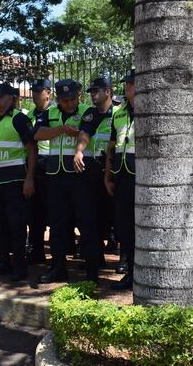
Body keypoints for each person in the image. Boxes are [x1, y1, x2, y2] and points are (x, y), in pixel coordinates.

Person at [35, 79, 99, 284]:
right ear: (57, 99)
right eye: (64, 100)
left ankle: (91, 272)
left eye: (72, 99)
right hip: (55, 176)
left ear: (79, 96)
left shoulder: (87, 111)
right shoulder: (50, 113)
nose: (69, 104)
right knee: (57, 223)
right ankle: (58, 267)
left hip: (80, 176)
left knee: (86, 222)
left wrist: (79, 151)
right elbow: (37, 134)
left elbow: (85, 133)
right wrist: (62, 129)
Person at [0, 84, 37, 281]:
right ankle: (2, 262)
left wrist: (29, 179)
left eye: (0, 97)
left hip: (13, 181)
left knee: (16, 225)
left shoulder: (19, 119)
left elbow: (32, 149)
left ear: (11, 98)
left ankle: (19, 267)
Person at [74, 77, 117, 268]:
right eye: (91, 92)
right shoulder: (91, 114)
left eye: (96, 91)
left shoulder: (119, 112)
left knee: (116, 215)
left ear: (107, 91)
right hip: (92, 169)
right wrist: (79, 150)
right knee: (90, 215)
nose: (93, 95)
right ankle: (95, 257)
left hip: (114, 168)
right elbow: (85, 133)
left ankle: (123, 258)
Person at [104, 69, 136, 289]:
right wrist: (108, 176)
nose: (128, 88)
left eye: (132, 84)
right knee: (124, 225)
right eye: (127, 84)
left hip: (141, 176)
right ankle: (131, 272)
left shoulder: (152, 110)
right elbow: (111, 147)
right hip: (121, 174)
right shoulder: (118, 113)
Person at [24, 79, 53, 264]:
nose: (35, 94)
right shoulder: (29, 115)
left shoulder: (55, 112)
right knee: (34, 212)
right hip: (34, 166)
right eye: (33, 90)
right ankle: (36, 249)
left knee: (54, 211)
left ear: (48, 93)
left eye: (39, 91)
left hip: (51, 165)